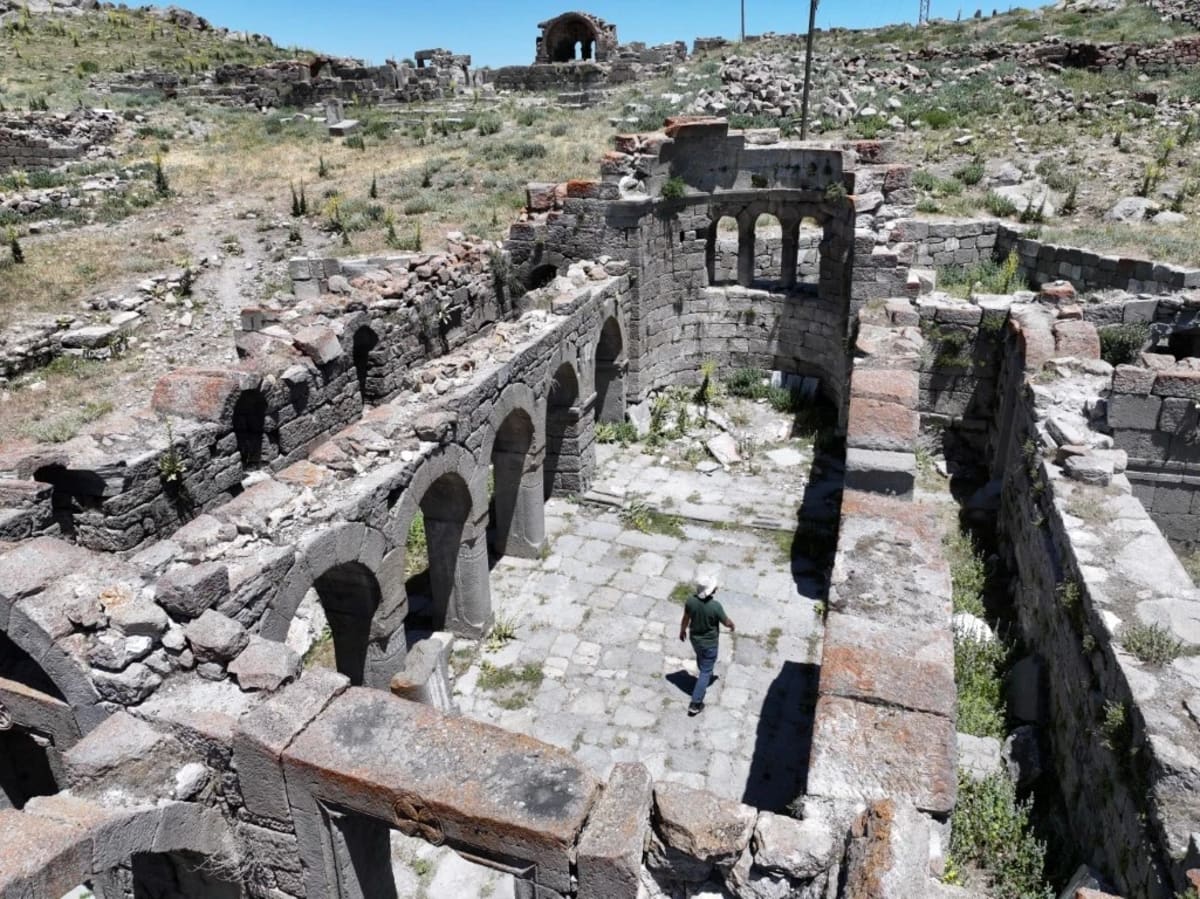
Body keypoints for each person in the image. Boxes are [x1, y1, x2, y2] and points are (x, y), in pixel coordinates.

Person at [678, 570, 735, 716]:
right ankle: (696, 703)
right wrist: (732, 625)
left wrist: (682, 630)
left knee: (701, 659)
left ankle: (703, 670)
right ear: (711, 591)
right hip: (709, 643)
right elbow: (726, 622)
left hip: (695, 640)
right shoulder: (715, 606)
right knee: (706, 672)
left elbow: (685, 618)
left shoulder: (691, 601)